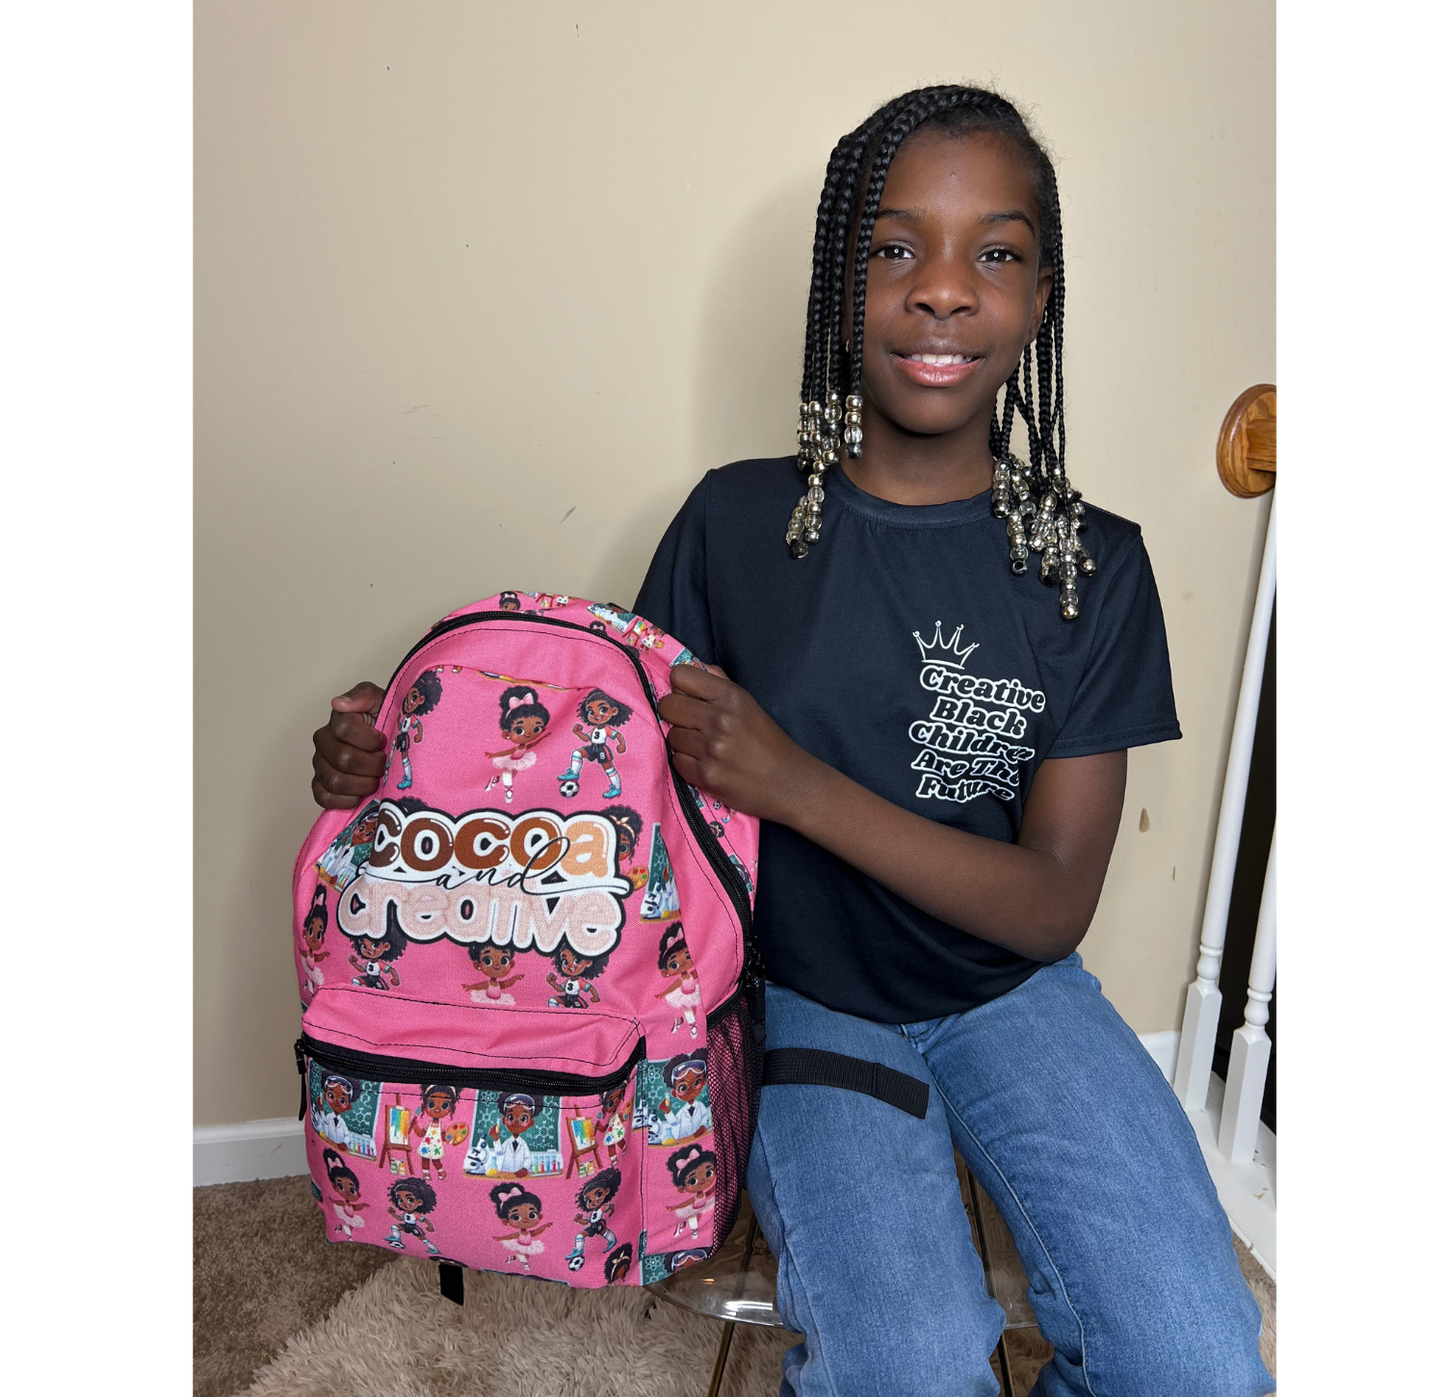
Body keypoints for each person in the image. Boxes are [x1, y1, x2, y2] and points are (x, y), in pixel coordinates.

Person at [307, 85, 1274, 1396]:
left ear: (1042, 298)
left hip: (1016, 999)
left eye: (995, 252)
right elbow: (600, 791)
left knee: (1203, 1361)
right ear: (838, 291)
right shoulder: (736, 528)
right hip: (809, 1002)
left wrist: (794, 783)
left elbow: (1049, 907)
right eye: (892, 249)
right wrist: (395, 759)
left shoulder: (1093, 566)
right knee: (912, 1363)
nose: (942, 291)